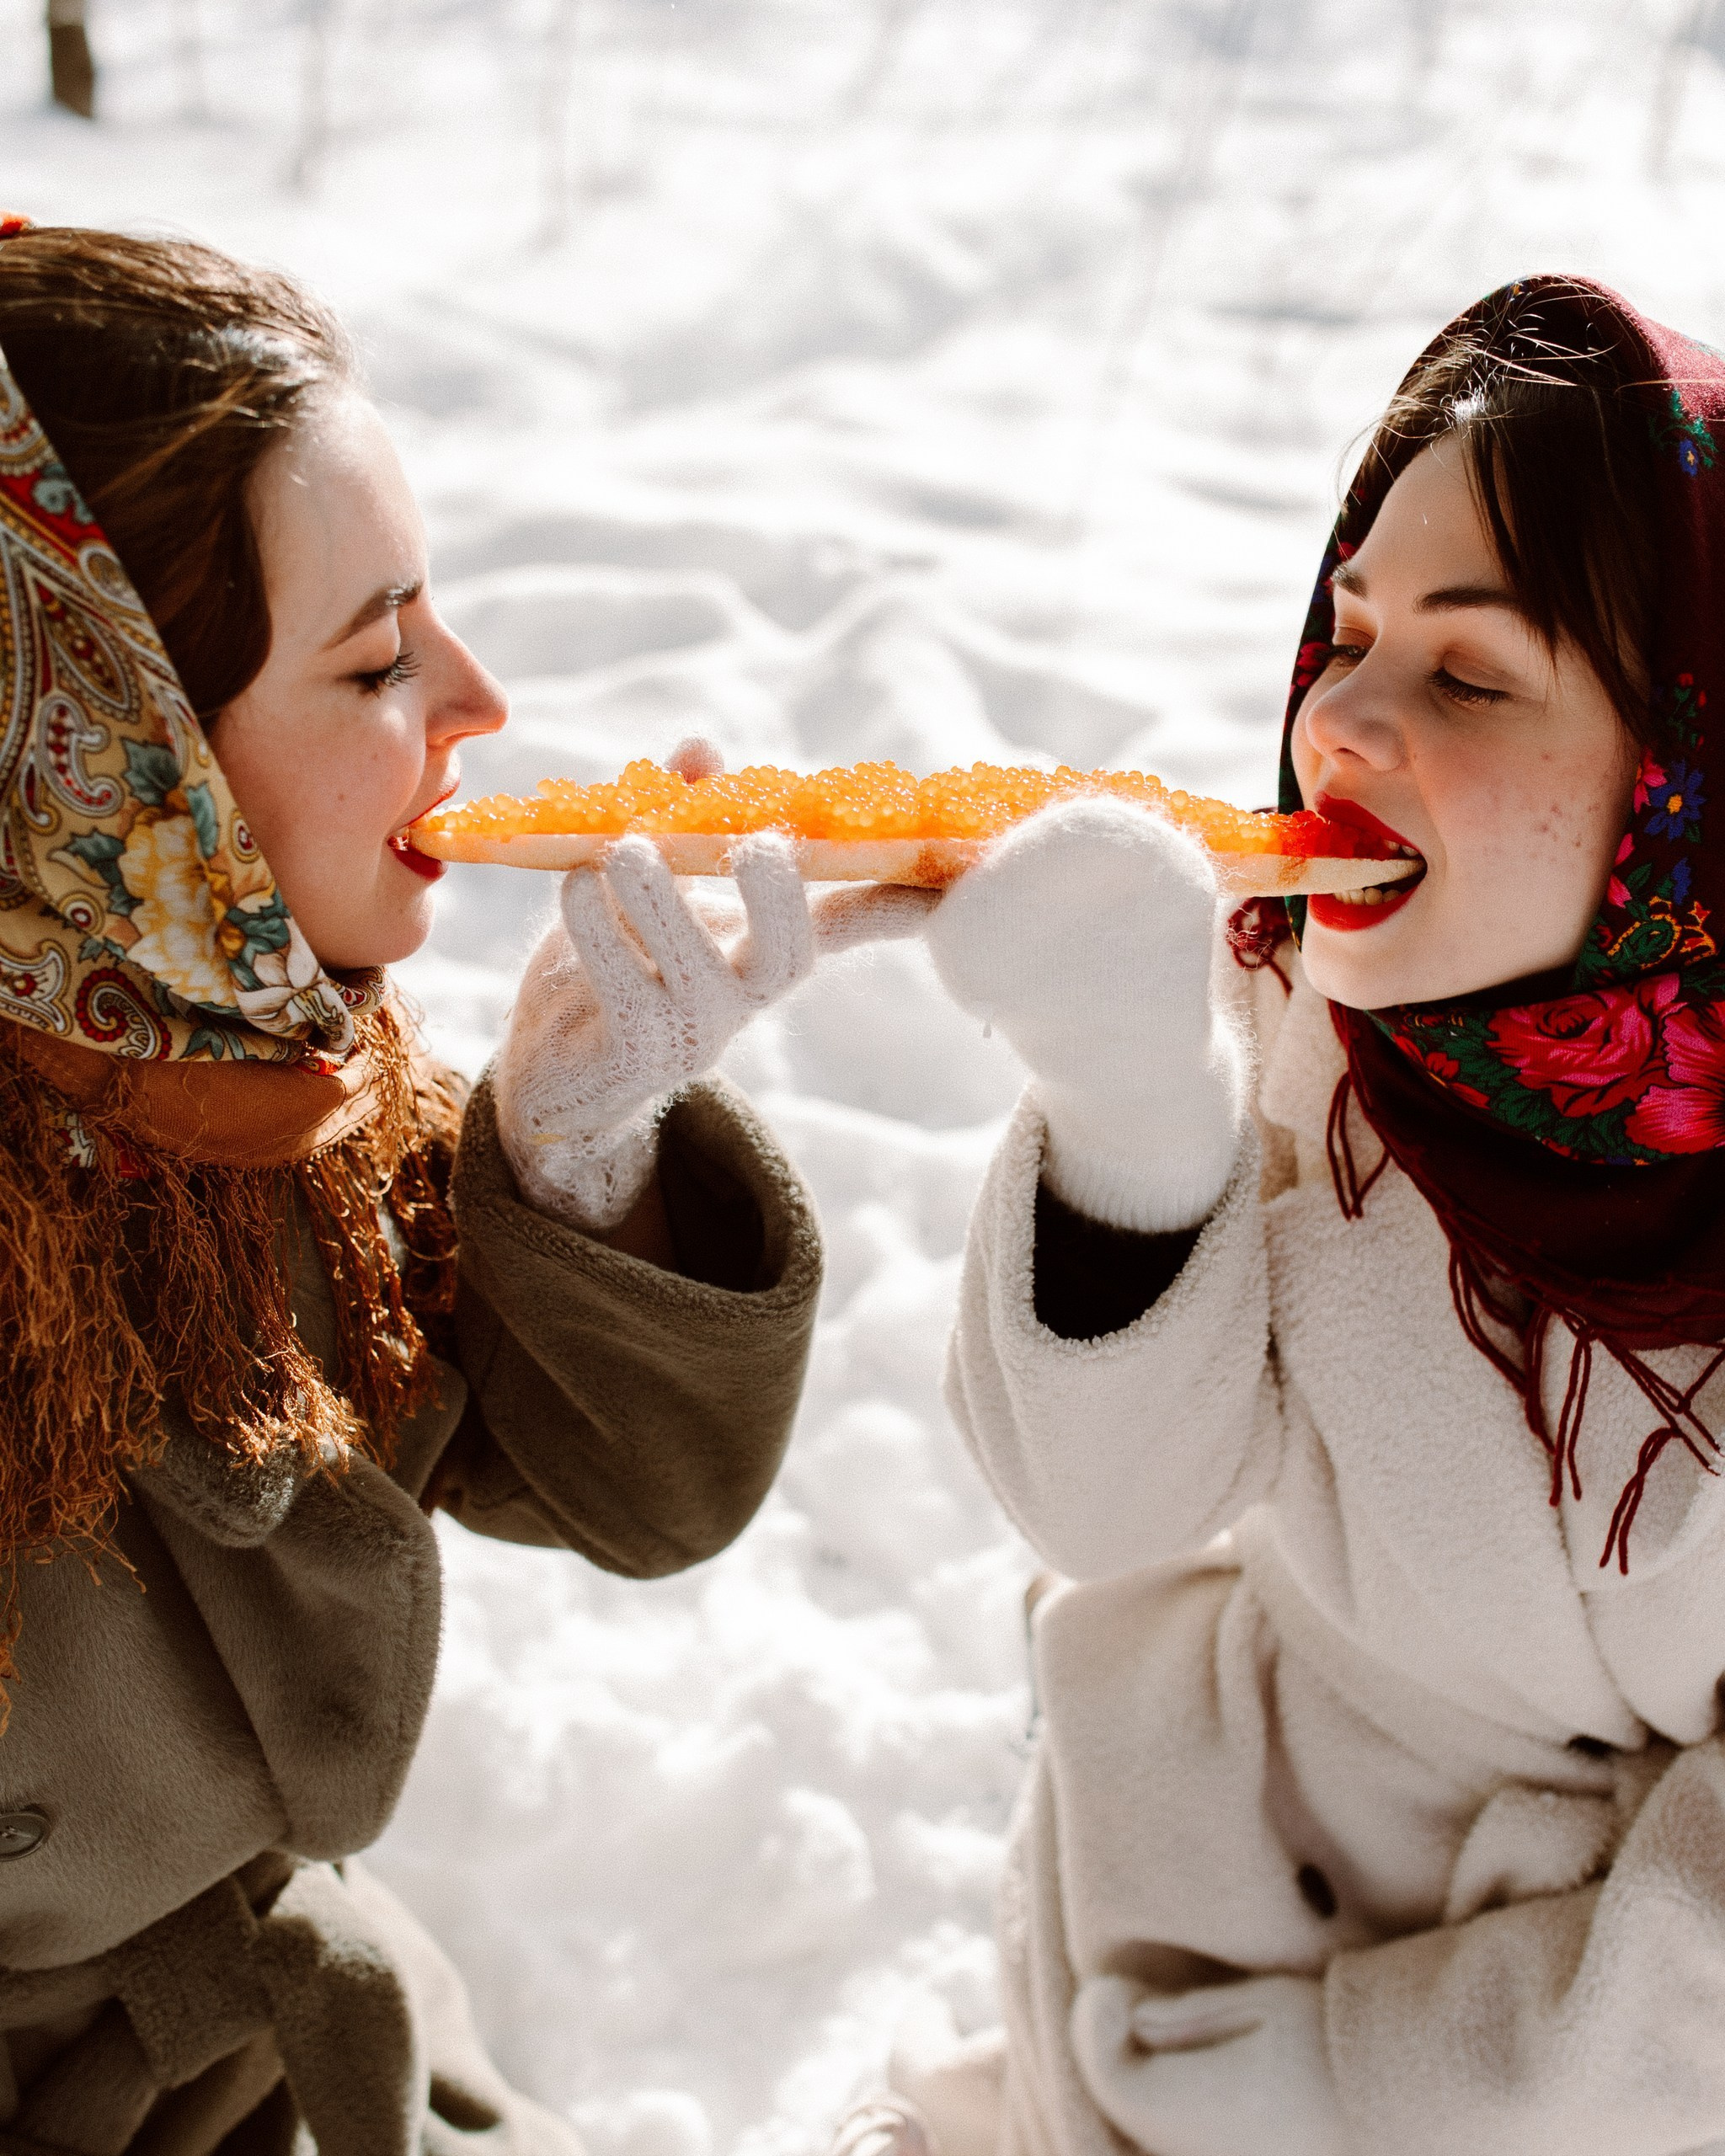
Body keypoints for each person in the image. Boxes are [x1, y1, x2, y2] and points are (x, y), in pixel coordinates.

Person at [0, 217, 924, 2152]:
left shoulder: (255, 1087)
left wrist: (569, 1157)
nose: (479, 696)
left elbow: (632, 1492)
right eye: (375, 657)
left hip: (289, 2064)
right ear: (114, 777)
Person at [857, 274, 1725, 2156]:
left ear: (1686, 767)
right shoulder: (1311, 1028)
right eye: (1344, 630)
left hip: (1560, 2072)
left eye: (1466, 672)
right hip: (1169, 1911)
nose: (1339, 711)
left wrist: (1363, 2073)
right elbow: (1103, 1503)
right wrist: (1122, 1106)